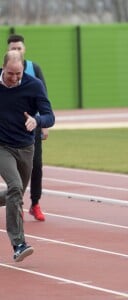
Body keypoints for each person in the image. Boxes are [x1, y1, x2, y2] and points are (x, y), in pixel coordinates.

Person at [0, 50, 55, 261]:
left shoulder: (33, 85)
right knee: (14, 187)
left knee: (15, 194)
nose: (14, 78)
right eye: (10, 73)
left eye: (18, 74)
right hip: (2, 146)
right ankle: (19, 244)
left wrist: (37, 121)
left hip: (25, 146)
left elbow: (50, 116)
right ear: (3, 68)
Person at [7, 34, 48, 221]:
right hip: (7, 129)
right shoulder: (4, 72)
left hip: (32, 127)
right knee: (14, 176)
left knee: (36, 165)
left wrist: (42, 124)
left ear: (24, 50)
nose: (16, 51)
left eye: (19, 48)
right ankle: (17, 205)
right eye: (13, 48)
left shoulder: (34, 69)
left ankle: (35, 203)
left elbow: (44, 100)